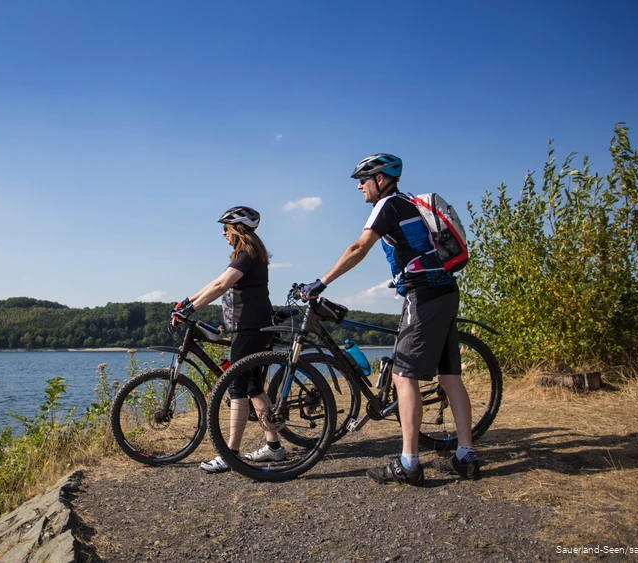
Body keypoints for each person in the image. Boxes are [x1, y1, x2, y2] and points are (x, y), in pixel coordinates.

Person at [297, 153, 481, 485]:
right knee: (450, 375)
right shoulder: (407, 204)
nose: (358, 187)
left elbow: (358, 248)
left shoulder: (389, 205)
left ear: (381, 179)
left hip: (423, 294)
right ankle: (466, 457)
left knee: (403, 376)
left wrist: (320, 283)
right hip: (445, 290)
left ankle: (409, 465)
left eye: (363, 180)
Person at [169, 205, 285, 473]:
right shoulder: (246, 255)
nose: (223, 233)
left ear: (238, 229)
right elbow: (216, 282)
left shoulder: (247, 255)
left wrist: (191, 309)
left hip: (249, 328)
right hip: (253, 326)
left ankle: (230, 454)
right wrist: (187, 301)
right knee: (254, 388)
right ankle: (274, 448)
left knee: (237, 390)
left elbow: (221, 286)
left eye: (226, 228)